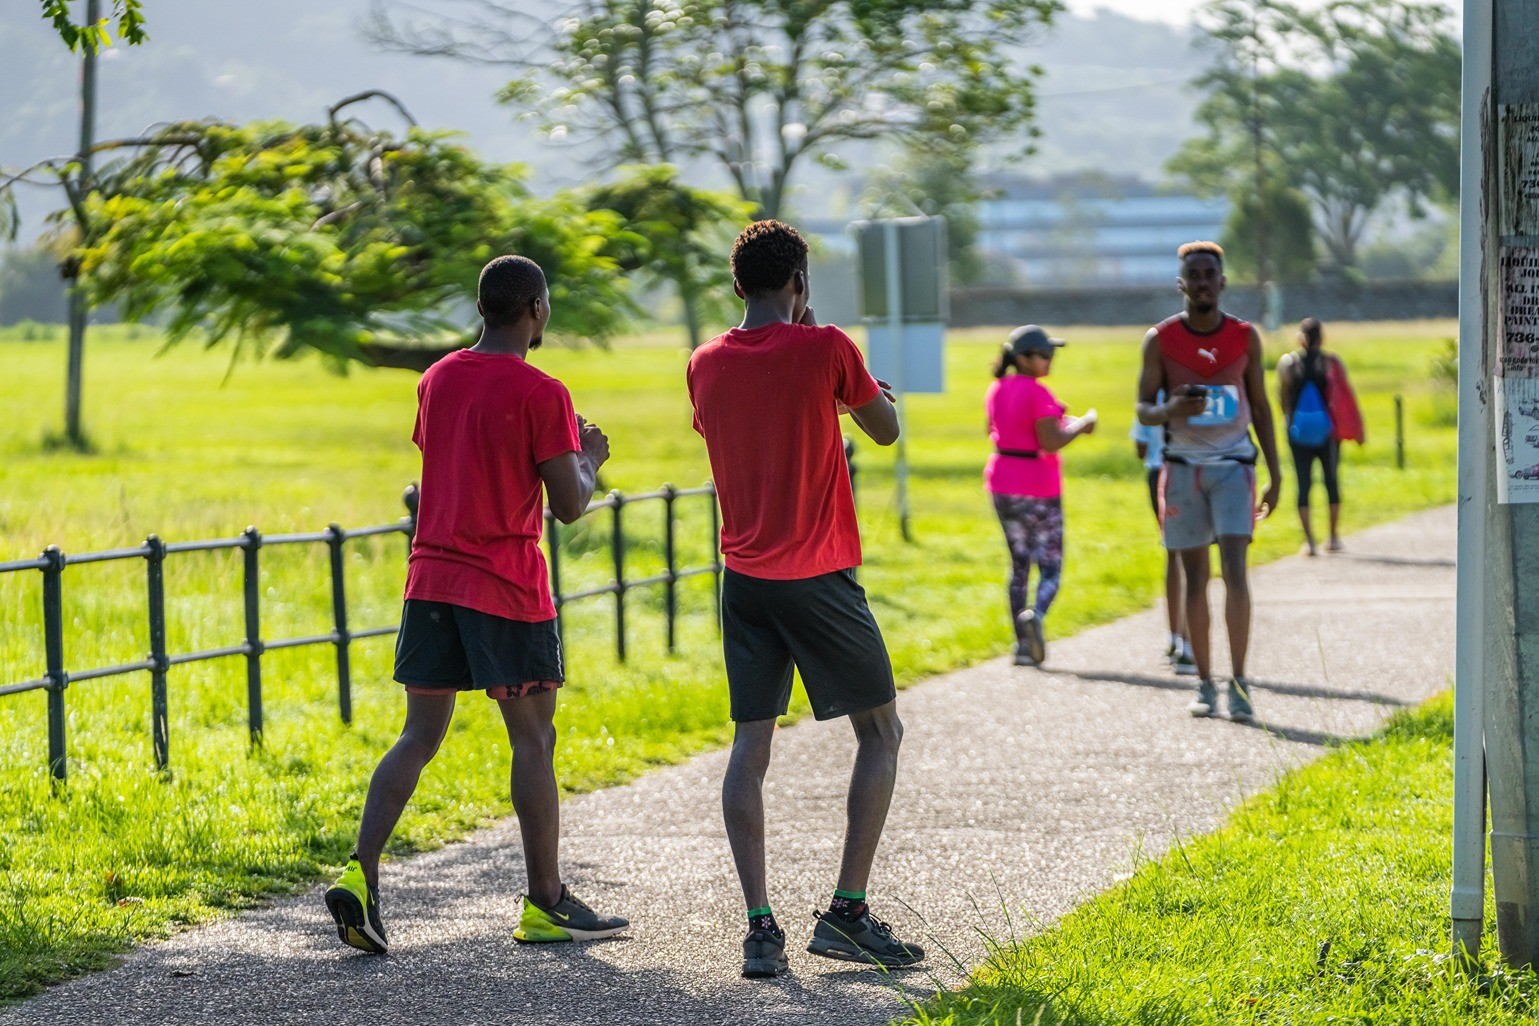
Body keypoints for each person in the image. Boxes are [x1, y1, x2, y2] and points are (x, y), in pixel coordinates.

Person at [324, 255, 627, 954]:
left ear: (483, 306)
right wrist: (589, 455)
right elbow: (569, 504)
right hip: (505, 587)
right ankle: (545, 903)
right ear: (536, 309)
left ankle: (360, 873)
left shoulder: (436, 378)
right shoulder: (543, 392)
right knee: (533, 738)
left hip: (431, 580)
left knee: (418, 735)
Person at [687, 219, 924, 978]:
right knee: (880, 732)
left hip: (744, 579)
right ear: (800, 281)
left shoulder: (703, 362)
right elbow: (885, 430)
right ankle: (847, 912)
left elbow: (750, 414)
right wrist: (858, 385)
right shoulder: (828, 349)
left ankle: (760, 928)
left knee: (750, 746)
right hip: (817, 575)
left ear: (737, 285)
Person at [1135, 241, 1281, 723]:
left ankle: (1239, 683)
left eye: (1209, 274)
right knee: (1195, 578)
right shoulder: (1160, 339)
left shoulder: (1244, 336)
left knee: (1236, 572)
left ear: (1222, 281)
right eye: (1193, 275)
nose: (1201, 282)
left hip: (1235, 467)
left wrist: (1276, 472)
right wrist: (1171, 409)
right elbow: (1143, 409)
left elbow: (1260, 406)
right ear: (1182, 283)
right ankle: (1204, 684)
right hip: (1182, 469)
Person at [984, 325, 1097, 667]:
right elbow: (1050, 441)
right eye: (1044, 355)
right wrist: (1082, 424)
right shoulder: (1037, 391)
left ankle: (1021, 645)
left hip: (1002, 483)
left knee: (1019, 565)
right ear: (1023, 358)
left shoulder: (998, 388)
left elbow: (1001, 427)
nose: (1050, 360)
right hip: (1038, 487)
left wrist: (1057, 415)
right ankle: (1037, 615)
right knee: (1050, 565)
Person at [1277, 317, 1360, 555]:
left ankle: (1310, 542)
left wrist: (1290, 421)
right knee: (1331, 481)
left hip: (1298, 432)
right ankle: (1333, 537)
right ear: (1322, 338)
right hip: (1328, 433)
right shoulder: (1330, 362)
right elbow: (1343, 396)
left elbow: (1283, 397)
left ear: (1300, 338)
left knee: (1303, 484)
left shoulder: (1288, 363)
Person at [1130, 395, 1197, 676]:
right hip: (1188, 468)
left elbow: (1140, 447)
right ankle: (1188, 644)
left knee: (1172, 552)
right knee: (1193, 555)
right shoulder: (1193, 390)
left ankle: (1175, 636)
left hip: (1157, 470)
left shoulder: (1153, 394)